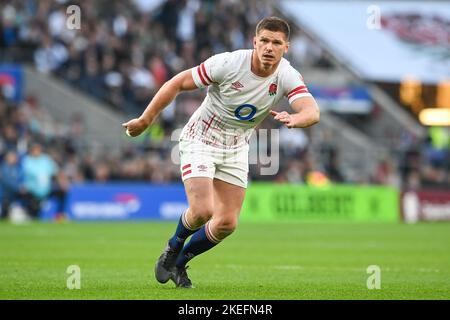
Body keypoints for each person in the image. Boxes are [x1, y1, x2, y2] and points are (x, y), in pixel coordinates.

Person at [122, 16, 320, 288]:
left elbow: (312, 110)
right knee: (202, 210)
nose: (269, 47)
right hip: (200, 139)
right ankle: (172, 247)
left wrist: (298, 119)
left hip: (236, 146)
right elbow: (177, 82)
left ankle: (179, 264)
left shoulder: (286, 74)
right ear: (254, 42)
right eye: (264, 40)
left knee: (227, 223)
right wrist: (146, 120)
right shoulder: (228, 63)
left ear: (286, 47)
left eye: (276, 43)